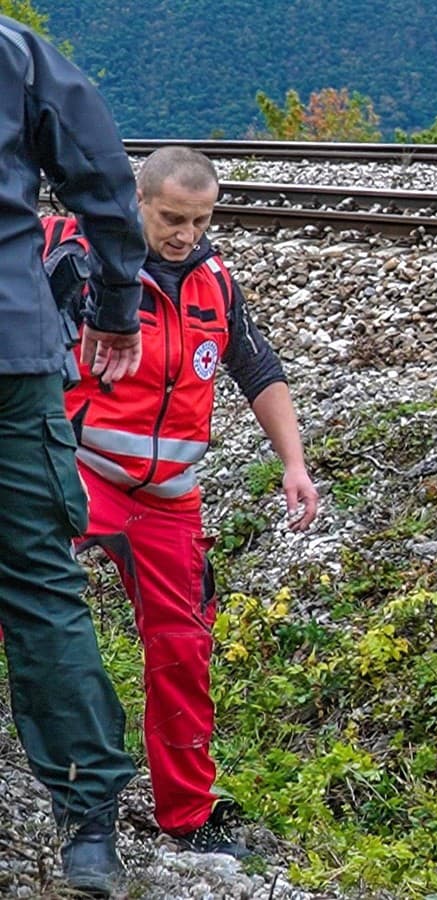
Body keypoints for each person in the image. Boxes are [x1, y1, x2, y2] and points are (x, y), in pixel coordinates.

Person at [53, 146, 319, 864]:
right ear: (136, 201)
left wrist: (293, 463)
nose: (185, 234)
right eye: (172, 218)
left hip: (169, 499)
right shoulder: (80, 258)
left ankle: (187, 814)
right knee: (34, 614)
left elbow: (257, 367)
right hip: (83, 474)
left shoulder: (213, 281)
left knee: (183, 648)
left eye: (200, 220)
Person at [0, 14, 151, 895]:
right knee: (41, 585)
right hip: (13, 353)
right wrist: (116, 302)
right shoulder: (16, 50)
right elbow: (101, 177)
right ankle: (88, 827)